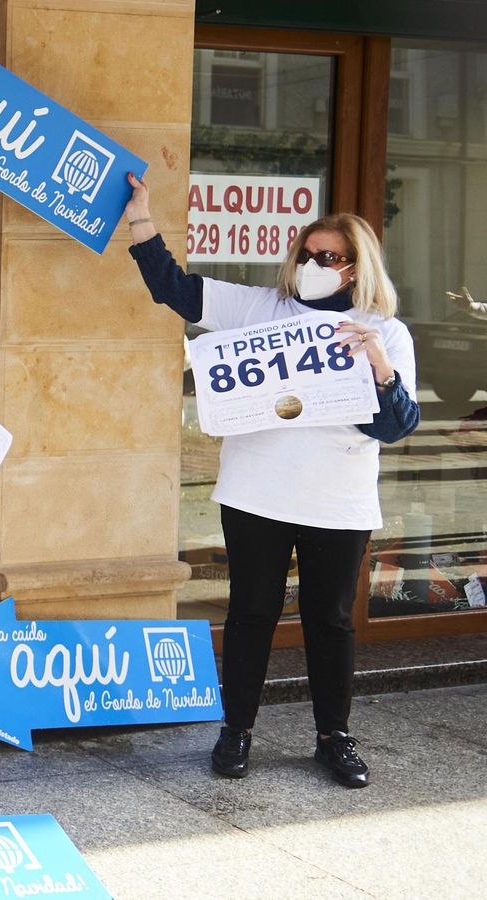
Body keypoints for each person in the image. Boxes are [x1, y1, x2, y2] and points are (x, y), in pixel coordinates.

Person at [124, 173, 420, 788]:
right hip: (256, 492)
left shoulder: (384, 332)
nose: (313, 264)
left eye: (329, 257)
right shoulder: (261, 308)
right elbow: (172, 287)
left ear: (354, 265)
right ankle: (236, 731)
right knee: (252, 614)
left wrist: (379, 364)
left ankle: (334, 737)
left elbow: (394, 428)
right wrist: (141, 218)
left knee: (331, 620)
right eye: (306, 255)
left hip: (338, 502)